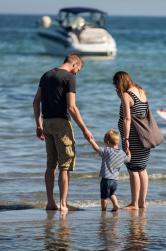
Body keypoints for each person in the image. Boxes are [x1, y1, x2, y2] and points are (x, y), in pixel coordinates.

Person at [33, 53, 93, 212]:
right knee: (65, 166)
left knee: (50, 165)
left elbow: (36, 101)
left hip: (46, 122)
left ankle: (50, 203)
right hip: (61, 124)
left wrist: (38, 125)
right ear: (74, 64)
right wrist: (85, 129)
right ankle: (63, 204)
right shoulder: (69, 78)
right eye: (77, 70)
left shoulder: (46, 75)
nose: (76, 73)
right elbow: (72, 107)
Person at [113, 71, 151, 210]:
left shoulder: (126, 95)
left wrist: (126, 139)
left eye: (116, 84)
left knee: (133, 169)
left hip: (133, 136)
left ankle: (134, 203)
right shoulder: (141, 91)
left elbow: (127, 118)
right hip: (144, 135)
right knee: (142, 168)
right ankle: (142, 202)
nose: (116, 88)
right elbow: (143, 113)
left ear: (120, 82)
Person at [89, 129, 131, 211]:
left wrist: (92, 141)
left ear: (107, 143)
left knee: (104, 197)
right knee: (112, 194)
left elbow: (96, 148)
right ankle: (116, 205)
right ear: (117, 142)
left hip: (106, 180)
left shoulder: (106, 151)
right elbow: (128, 160)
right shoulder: (122, 153)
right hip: (115, 180)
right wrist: (128, 152)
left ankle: (103, 210)